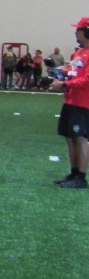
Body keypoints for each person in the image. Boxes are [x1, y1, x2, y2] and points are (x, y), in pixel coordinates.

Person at [50, 18, 89, 188]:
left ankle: (81, 177)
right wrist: (61, 73)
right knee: (70, 137)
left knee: (80, 138)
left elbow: (87, 79)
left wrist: (64, 84)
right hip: (70, 100)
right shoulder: (78, 53)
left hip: (83, 102)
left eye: (78, 30)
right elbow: (73, 72)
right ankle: (73, 173)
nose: (76, 33)